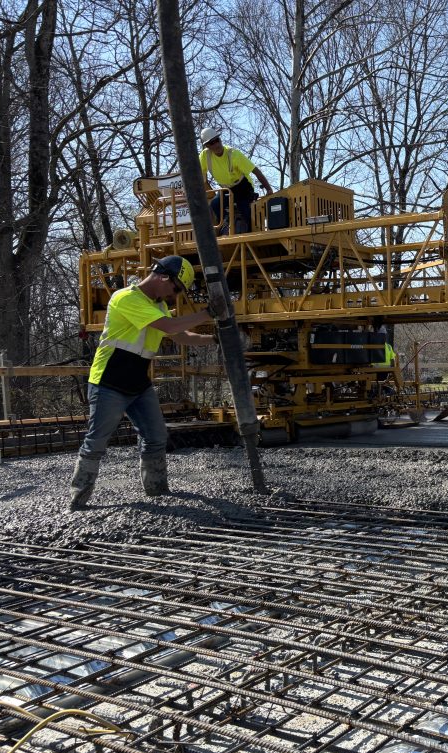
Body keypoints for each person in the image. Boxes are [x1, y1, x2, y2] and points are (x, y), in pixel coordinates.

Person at [69, 255, 220, 509]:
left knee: (156, 436)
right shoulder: (125, 298)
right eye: (176, 289)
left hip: (138, 382)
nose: (175, 296)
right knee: (96, 441)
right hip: (109, 382)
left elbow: (181, 336)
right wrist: (207, 313)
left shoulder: (157, 305)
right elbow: (169, 327)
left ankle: (157, 491)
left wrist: (214, 340)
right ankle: (78, 499)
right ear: (163, 277)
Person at [199, 127, 273, 235]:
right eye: (212, 143)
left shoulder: (234, 154)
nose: (216, 145)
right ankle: (225, 225)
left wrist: (269, 189)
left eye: (217, 140)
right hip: (227, 188)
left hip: (243, 186)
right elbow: (198, 177)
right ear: (207, 146)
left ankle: (250, 235)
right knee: (215, 204)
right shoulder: (205, 156)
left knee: (246, 212)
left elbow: (256, 171)